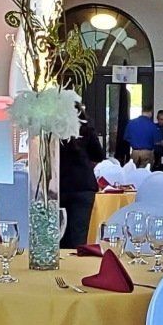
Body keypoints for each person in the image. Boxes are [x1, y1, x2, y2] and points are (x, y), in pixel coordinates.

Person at [58, 102, 106, 248]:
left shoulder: (54, 130)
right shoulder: (86, 129)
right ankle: (77, 269)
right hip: (83, 185)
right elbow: (98, 155)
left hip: (60, 185)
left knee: (60, 234)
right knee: (79, 234)